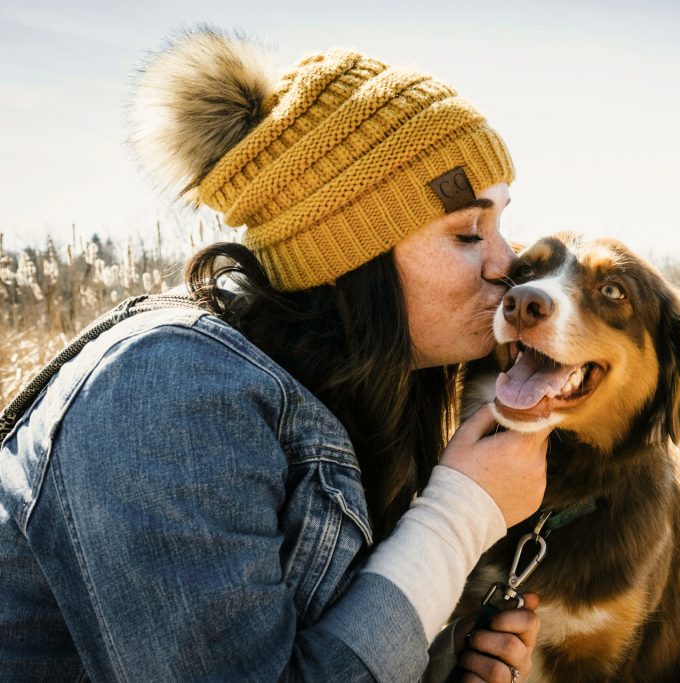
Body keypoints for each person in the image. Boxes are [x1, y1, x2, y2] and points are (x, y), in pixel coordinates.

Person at [0, 24, 552, 682]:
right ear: (346, 254)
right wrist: (458, 516)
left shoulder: (360, 401)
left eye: (501, 224)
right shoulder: (163, 392)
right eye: (467, 232)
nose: (510, 264)